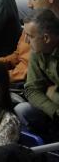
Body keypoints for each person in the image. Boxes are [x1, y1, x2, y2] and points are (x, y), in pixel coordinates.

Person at [0, 0, 59, 85]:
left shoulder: (50, 32)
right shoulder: (34, 20)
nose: (29, 5)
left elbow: (27, 72)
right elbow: (19, 55)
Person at [18, 8, 59, 139]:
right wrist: (54, 110)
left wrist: (53, 94)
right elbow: (31, 89)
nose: (26, 41)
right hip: (55, 109)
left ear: (46, 38)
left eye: (29, 36)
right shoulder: (38, 50)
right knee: (22, 110)